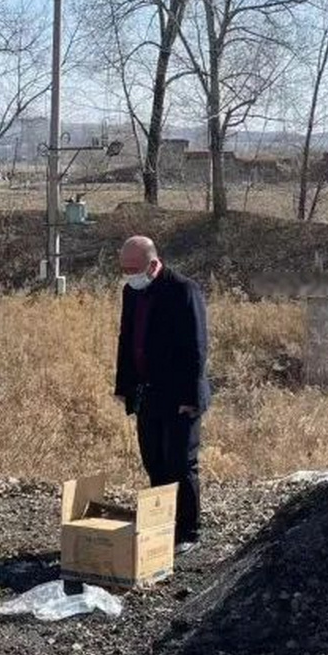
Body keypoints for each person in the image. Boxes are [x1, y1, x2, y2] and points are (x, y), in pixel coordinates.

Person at [114, 235, 209, 553]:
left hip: (180, 395)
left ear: (153, 264)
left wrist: (191, 397)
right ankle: (162, 523)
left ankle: (188, 530)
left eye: (134, 269)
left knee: (180, 462)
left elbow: (197, 346)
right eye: (124, 269)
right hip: (147, 393)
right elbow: (127, 339)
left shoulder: (183, 289)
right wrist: (124, 386)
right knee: (154, 460)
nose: (129, 275)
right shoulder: (132, 292)